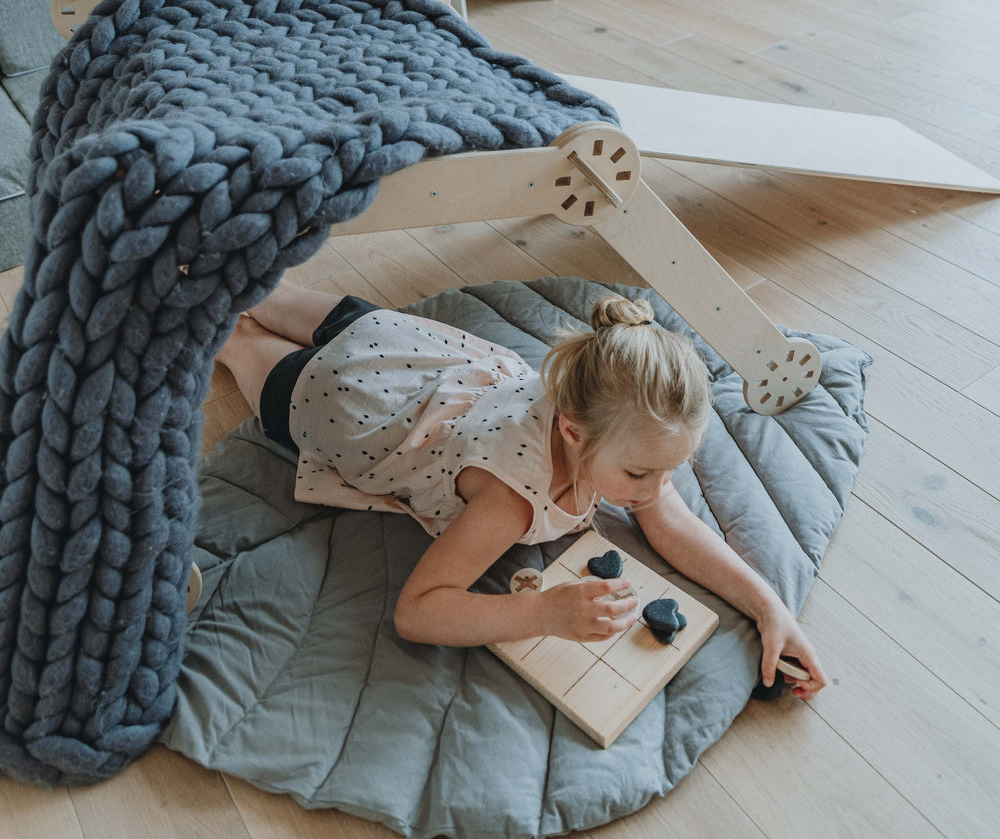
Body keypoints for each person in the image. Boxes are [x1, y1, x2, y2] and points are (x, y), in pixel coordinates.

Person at [217, 279, 826, 699]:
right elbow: (417, 610)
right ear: (572, 431)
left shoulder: (602, 414)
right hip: (341, 399)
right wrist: (540, 611)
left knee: (272, 295)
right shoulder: (510, 498)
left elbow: (669, 521)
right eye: (641, 474)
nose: (657, 490)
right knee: (233, 331)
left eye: (670, 470)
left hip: (399, 345)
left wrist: (768, 606)